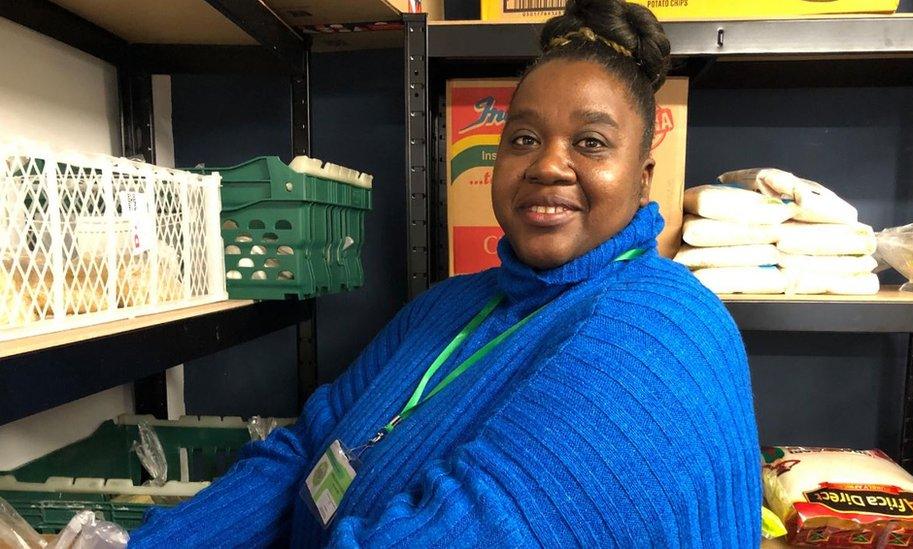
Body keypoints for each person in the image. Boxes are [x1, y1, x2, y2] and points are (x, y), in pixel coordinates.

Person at [129, 0, 760, 546]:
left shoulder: (661, 331)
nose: (547, 165)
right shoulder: (448, 307)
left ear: (643, 178)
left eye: (590, 143)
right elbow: (305, 453)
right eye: (522, 138)